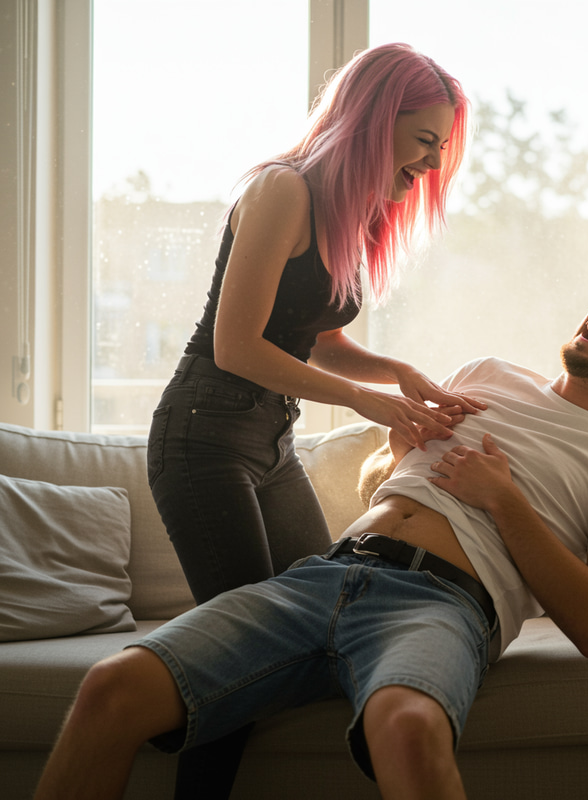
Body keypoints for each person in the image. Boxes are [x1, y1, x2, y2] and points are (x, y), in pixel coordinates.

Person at [36, 275, 588, 800]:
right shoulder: (487, 374)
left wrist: (504, 499)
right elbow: (382, 482)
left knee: (411, 731)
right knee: (111, 687)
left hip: (442, 605)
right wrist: (395, 449)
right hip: (324, 575)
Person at [147, 43, 483, 798]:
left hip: (268, 445)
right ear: (375, 119)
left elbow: (316, 335)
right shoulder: (280, 190)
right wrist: (364, 402)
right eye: (425, 140)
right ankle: (158, 708)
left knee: (330, 622)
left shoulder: (344, 210)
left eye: (440, 148)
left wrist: (397, 372)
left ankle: (161, 701)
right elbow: (237, 347)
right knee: (235, 657)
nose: (430, 165)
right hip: (202, 439)